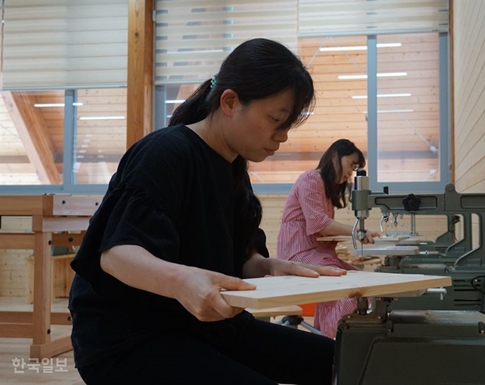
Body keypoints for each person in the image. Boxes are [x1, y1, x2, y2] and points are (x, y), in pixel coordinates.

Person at [68, 38, 346, 385]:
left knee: (347, 361)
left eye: (287, 125)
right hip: (130, 339)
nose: (282, 137)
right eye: (276, 120)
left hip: (207, 328)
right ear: (230, 102)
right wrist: (182, 280)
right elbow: (117, 254)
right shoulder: (165, 152)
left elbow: (237, 257)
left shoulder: (233, 170)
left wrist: (268, 266)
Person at [277, 139, 381, 338]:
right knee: (347, 288)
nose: (351, 172)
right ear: (335, 157)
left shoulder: (324, 187)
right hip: (298, 254)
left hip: (317, 253)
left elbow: (321, 228)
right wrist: (358, 232)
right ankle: (334, 341)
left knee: (365, 282)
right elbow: (319, 224)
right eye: (351, 165)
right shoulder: (310, 179)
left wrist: (358, 233)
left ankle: (342, 336)